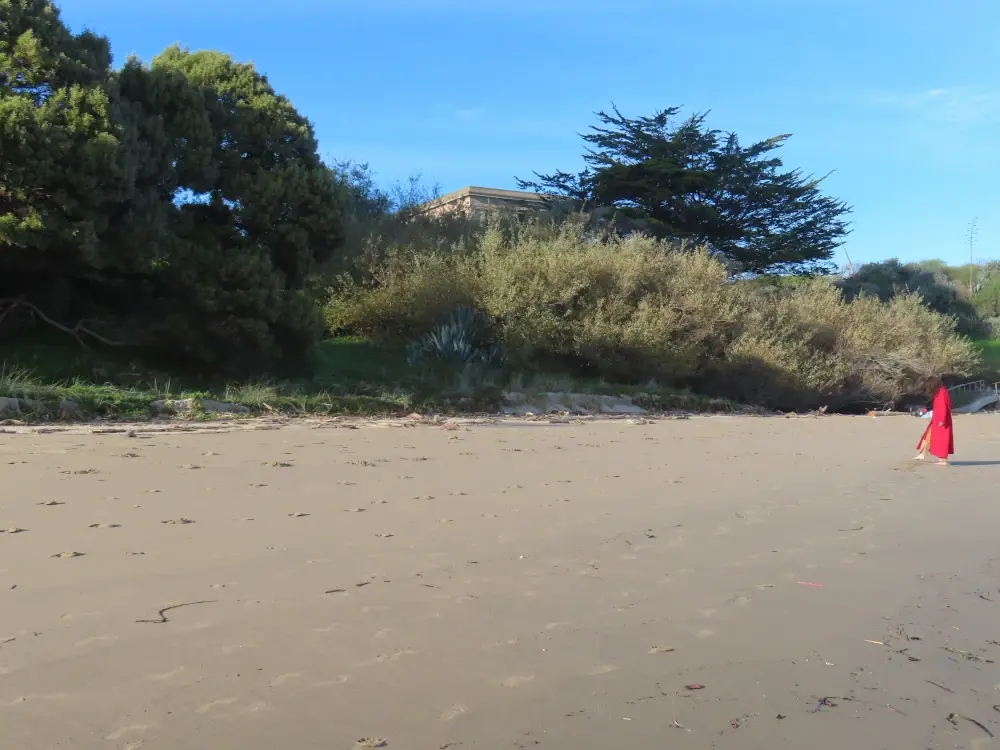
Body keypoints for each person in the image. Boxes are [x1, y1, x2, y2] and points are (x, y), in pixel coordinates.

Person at [914, 376, 954, 465]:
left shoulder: (941, 392)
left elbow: (943, 407)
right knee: (928, 436)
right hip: (938, 419)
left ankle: (943, 460)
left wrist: (942, 420)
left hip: (941, 420)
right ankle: (922, 454)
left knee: (941, 439)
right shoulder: (940, 391)